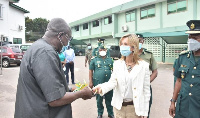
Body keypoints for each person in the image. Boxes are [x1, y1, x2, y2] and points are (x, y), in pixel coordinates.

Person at [14, 18, 94, 118]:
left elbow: (47, 87)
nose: (67, 43)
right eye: (68, 39)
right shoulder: (45, 53)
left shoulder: (37, 47)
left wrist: (71, 89)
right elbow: (55, 100)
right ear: (60, 35)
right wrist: (81, 93)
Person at [93, 33, 151, 118]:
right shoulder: (117, 64)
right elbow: (112, 82)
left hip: (135, 109)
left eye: (126, 44)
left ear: (133, 47)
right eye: (121, 44)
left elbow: (146, 91)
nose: (122, 47)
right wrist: (101, 88)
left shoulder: (144, 66)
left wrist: (145, 112)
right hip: (119, 108)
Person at [169, 20, 200, 118]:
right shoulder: (182, 57)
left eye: (195, 37)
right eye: (189, 37)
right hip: (183, 106)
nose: (191, 40)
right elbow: (178, 81)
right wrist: (173, 101)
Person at [89, 44, 114, 118]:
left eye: (104, 50)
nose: (102, 51)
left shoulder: (110, 60)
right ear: (98, 51)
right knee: (99, 99)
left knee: (109, 98)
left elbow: (114, 70)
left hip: (109, 82)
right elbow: (90, 70)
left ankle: (110, 113)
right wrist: (90, 81)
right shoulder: (94, 60)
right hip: (98, 82)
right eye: (100, 50)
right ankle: (100, 113)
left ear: (106, 51)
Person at [136, 34, 158, 118]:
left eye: (140, 40)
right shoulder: (129, 55)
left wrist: (146, 82)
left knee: (145, 109)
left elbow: (155, 72)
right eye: (136, 41)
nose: (138, 42)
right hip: (131, 87)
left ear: (143, 41)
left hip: (145, 87)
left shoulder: (149, 55)